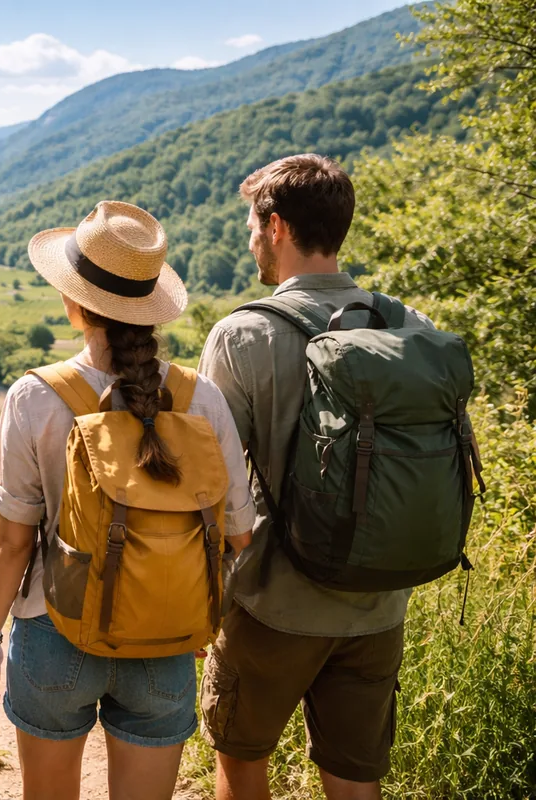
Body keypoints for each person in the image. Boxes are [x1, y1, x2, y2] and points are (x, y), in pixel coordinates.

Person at [0, 200, 255, 800]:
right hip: (164, 638)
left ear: (74, 304)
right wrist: (196, 606)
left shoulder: (35, 397)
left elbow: (13, 540)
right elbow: (238, 537)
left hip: (54, 630)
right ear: (150, 309)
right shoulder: (200, 398)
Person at [197, 154, 434, 800]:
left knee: (241, 761)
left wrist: (201, 604)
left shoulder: (242, 334)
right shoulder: (407, 325)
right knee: (357, 781)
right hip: (380, 605)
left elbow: (212, 487)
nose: (250, 239)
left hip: (273, 602)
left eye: (251, 224)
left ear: (275, 227)